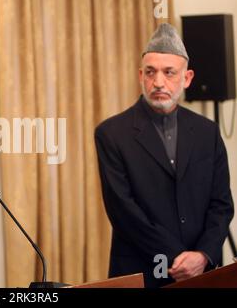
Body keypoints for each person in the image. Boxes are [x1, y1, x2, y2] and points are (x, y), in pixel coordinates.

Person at [94, 23, 234, 288]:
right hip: (142, 273)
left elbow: (222, 204)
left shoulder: (208, 132)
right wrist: (180, 259)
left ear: (188, 78)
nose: (158, 82)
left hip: (203, 273)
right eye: (151, 72)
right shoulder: (112, 133)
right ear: (140, 75)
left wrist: (203, 255)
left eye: (169, 72)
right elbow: (124, 211)